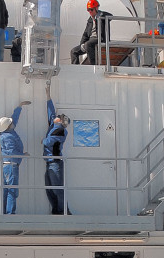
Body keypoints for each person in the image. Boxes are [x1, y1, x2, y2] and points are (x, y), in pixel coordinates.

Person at [42, 84, 71, 215]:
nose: (57, 115)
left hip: (55, 162)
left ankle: (64, 210)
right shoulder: (54, 125)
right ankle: (56, 210)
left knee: (58, 188)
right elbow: (51, 111)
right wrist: (48, 96)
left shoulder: (60, 130)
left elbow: (49, 142)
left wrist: (42, 140)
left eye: (59, 116)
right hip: (49, 162)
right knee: (50, 188)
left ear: (60, 121)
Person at [0, 101, 31, 214]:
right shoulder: (8, 137)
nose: (13, 123)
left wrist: (19, 107)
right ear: (8, 126)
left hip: (7, 166)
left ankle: (6, 212)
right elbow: (11, 152)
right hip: (11, 166)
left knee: (7, 189)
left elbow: (14, 119)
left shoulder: (7, 132)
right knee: (12, 190)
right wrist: (23, 155)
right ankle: (10, 213)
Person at [70, 0, 112, 65]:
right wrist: (81, 44)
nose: (90, 12)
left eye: (91, 10)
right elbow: (86, 34)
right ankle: (75, 68)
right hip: (90, 40)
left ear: (96, 8)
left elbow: (110, 16)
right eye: (88, 10)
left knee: (88, 44)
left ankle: (93, 65)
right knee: (73, 51)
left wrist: (101, 15)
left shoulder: (102, 16)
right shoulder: (90, 20)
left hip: (100, 38)